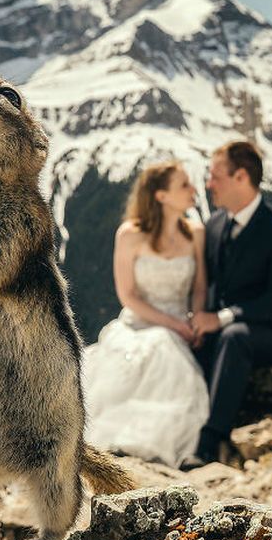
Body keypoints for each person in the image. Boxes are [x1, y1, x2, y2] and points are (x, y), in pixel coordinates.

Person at [183, 141, 272, 469]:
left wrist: (221, 318)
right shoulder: (215, 226)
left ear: (241, 177)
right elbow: (209, 284)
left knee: (233, 337)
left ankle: (210, 444)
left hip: (271, 330)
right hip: (225, 328)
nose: (208, 185)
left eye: (214, 176)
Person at [81, 161, 211, 468]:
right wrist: (173, 325)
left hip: (181, 323)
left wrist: (196, 319)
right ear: (161, 195)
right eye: (184, 185)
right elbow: (128, 295)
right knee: (151, 350)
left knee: (167, 358)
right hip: (139, 323)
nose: (194, 190)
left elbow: (200, 286)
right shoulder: (130, 234)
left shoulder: (196, 232)